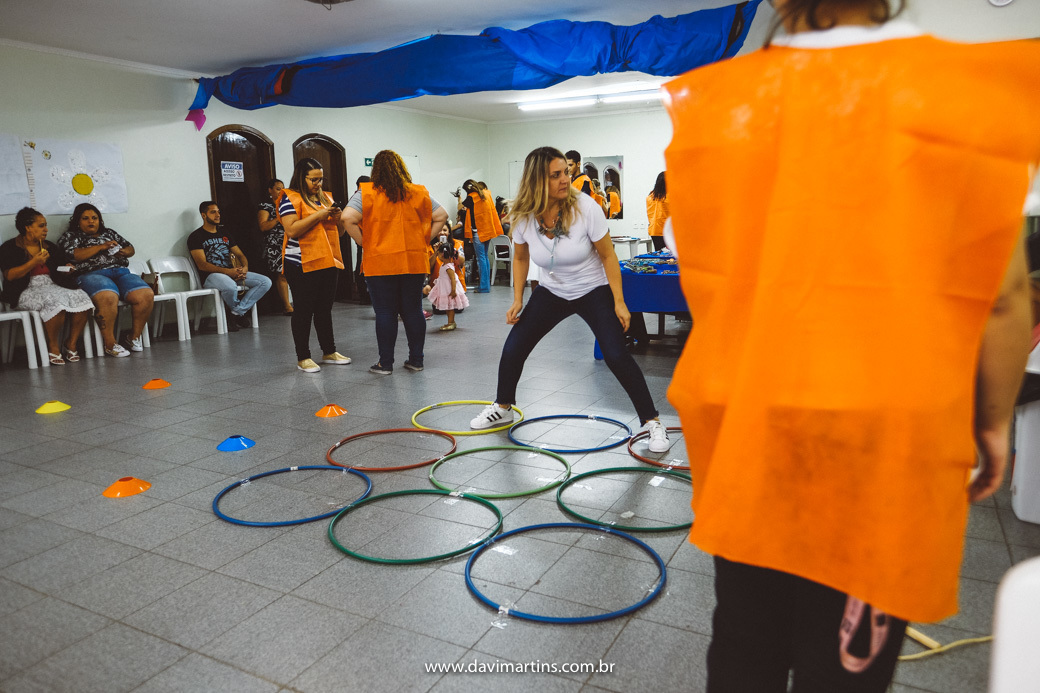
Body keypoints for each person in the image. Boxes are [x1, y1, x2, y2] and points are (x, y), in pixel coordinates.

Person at [662, 0, 1040, 690]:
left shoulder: (716, 105)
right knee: (845, 661)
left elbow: (711, 276)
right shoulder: (956, 89)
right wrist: (989, 424)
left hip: (749, 422)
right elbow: (1005, 297)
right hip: (881, 438)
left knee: (744, 637)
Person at [469, 146, 670, 453]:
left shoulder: (585, 207)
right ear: (538, 181)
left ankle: (653, 422)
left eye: (566, 172)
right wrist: (517, 298)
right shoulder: (523, 215)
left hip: (593, 289)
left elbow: (608, 255)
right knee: (514, 346)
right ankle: (503, 406)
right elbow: (521, 257)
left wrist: (618, 301)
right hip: (552, 291)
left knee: (616, 355)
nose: (566, 179)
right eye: (556, 175)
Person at [341, 149, 448, 375]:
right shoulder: (418, 192)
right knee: (413, 310)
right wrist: (423, 239)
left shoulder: (366, 193)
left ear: (375, 171)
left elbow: (347, 218)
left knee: (385, 312)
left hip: (380, 262)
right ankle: (416, 360)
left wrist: (364, 243)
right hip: (412, 261)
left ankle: (385, 363)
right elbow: (442, 215)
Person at [276, 157, 353, 373]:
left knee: (324, 309)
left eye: (321, 179)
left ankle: (329, 351)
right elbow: (291, 230)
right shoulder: (289, 198)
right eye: (314, 180)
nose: (318, 184)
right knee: (303, 309)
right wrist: (319, 215)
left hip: (327, 261)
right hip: (300, 263)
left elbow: (340, 233)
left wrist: (338, 219)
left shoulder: (326, 198)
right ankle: (303, 357)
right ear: (302, 177)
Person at [57, 203, 153, 357]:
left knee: (145, 294)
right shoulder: (70, 236)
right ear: (77, 221)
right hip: (92, 274)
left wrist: (122, 251)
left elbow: (130, 248)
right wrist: (101, 247)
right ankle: (110, 343)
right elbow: (74, 255)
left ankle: (133, 337)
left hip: (120, 272)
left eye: (94, 218)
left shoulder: (109, 233)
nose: (91, 221)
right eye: (86, 218)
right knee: (108, 296)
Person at [1, 207, 93, 364]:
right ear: (27, 227)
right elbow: (9, 275)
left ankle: (70, 344)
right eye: (41, 225)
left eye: (46, 225)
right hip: (24, 290)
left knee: (81, 296)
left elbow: (59, 267)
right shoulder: (9, 247)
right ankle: (53, 347)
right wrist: (33, 262)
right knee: (54, 301)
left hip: (51, 284)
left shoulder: (48, 246)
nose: (46, 229)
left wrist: (66, 269)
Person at [188, 202, 272, 332]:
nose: (217, 215)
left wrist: (244, 268)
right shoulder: (196, 237)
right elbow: (202, 265)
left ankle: (235, 313)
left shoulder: (225, 234)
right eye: (213, 212)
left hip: (232, 272)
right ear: (203, 215)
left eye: (218, 211)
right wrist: (228, 272)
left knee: (265, 282)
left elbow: (240, 254)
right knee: (230, 286)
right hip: (212, 276)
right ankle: (238, 314)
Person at [457, 179, 504, 293]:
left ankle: (483, 287)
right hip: (487, 230)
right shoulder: (487, 194)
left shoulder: (471, 197)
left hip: (477, 232)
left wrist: (459, 198)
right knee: (485, 258)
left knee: (480, 258)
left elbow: (459, 208)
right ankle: (486, 285)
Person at [256, 178, 293, 315]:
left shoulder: (288, 204)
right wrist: (278, 217)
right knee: (281, 274)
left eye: (283, 189)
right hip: (275, 244)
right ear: (270, 190)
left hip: (291, 241)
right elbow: (263, 226)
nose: (281, 191)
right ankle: (287, 306)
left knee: (295, 273)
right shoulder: (265, 206)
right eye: (278, 188)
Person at [427, 240, 469, 331]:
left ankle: (451, 322)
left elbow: (453, 280)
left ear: (442, 255)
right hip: (444, 288)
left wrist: (453, 291)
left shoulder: (448, 267)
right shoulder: (445, 265)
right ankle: (450, 322)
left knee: (450, 308)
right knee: (447, 307)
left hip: (448, 290)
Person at [646, 172, 669, 251]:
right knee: (671, 257)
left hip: (654, 230)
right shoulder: (669, 197)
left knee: (659, 254)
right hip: (666, 230)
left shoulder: (650, 197)